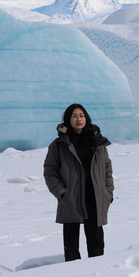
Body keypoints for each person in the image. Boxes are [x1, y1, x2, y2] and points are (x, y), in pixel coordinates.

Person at [44, 104, 113, 261]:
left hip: (95, 196)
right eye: (74, 116)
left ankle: (97, 275)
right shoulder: (59, 144)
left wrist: (107, 192)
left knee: (96, 244)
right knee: (71, 245)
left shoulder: (98, 142)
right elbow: (50, 171)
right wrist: (61, 192)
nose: (78, 119)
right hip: (71, 197)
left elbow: (107, 168)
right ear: (68, 120)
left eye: (81, 115)